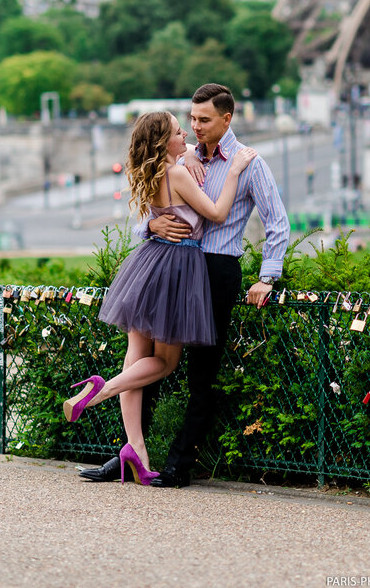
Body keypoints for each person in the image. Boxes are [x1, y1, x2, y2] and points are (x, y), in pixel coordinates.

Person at [77, 83, 290, 487]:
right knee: (152, 367)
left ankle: (178, 465)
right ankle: (130, 455)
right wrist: (149, 225)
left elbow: (277, 221)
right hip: (174, 266)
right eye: (191, 119)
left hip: (216, 270)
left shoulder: (249, 163)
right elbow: (157, 209)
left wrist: (267, 275)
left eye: (204, 120)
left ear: (227, 119)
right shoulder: (182, 158)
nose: (195, 128)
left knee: (201, 376)